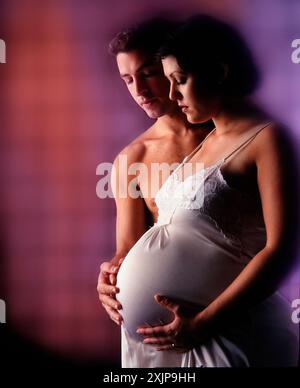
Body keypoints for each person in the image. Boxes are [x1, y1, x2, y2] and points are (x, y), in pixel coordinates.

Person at [125, 14, 299, 367]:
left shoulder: (267, 139)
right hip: (166, 347)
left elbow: (281, 249)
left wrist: (204, 323)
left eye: (181, 81)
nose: (172, 94)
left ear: (219, 72)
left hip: (225, 335)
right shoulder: (205, 142)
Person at [97, 20, 212, 340]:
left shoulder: (229, 133)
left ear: (172, 66)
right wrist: (109, 275)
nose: (139, 90)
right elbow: (127, 249)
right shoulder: (132, 159)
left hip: (230, 305)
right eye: (128, 79)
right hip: (162, 325)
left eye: (147, 73)